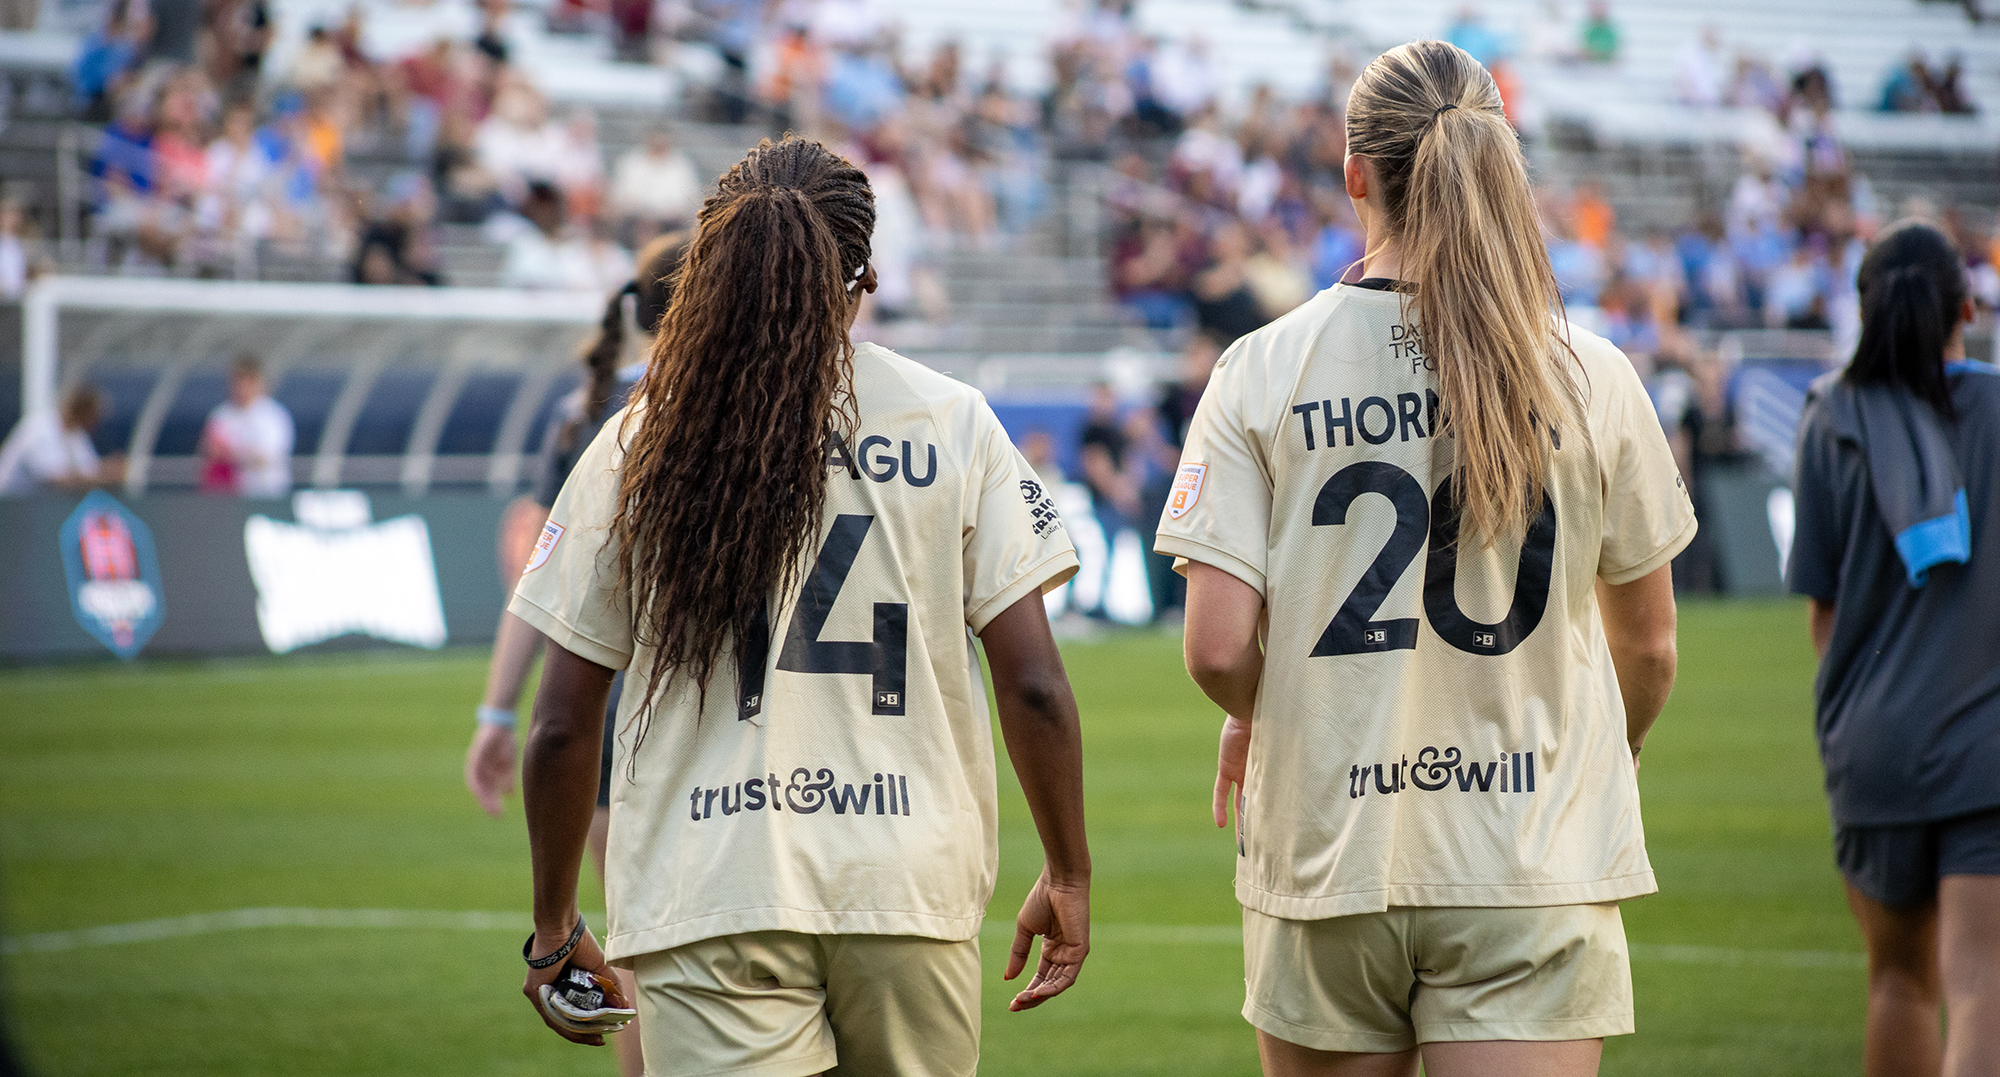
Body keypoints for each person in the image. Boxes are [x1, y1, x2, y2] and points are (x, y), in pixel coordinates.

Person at [1155, 41, 1693, 1077]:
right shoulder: (1591, 373)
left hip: (1330, 848)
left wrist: (1255, 716)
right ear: (1499, 162)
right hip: (1525, 855)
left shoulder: (1261, 368)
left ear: (1353, 174)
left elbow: (1217, 649)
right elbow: (1651, 648)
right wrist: (1591, 760)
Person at [509, 136, 1092, 1075]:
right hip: (906, 884)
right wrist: (1068, 868)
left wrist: (551, 927)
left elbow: (562, 724)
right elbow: (1031, 683)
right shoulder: (951, 419)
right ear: (863, 276)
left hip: (712, 887)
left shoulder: (636, 442)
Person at [465, 230, 687, 1077]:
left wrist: (495, 711)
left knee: (632, 939)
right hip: (692, 716)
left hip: (603, 716)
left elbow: (542, 585)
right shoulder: (729, 410)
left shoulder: (587, 417)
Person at [1785, 220, 2000, 1077]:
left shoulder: (1828, 415)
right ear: (1967, 305)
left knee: (1897, 984)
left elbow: (1822, 614)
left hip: (1873, 748)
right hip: (1985, 747)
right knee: (1981, 982)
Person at [199, 355, 294, 498]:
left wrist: (232, 453)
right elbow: (209, 451)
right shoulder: (221, 415)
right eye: (237, 380)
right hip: (229, 496)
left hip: (267, 495)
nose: (241, 386)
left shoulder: (273, 416)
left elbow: (266, 459)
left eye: (247, 379)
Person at [0, 386, 122, 495]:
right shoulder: (41, 429)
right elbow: (53, 479)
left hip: (34, 510)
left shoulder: (77, 434)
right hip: (9, 507)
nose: (97, 425)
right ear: (85, 412)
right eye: (95, 417)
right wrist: (106, 476)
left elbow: (89, 470)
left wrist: (110, 469)